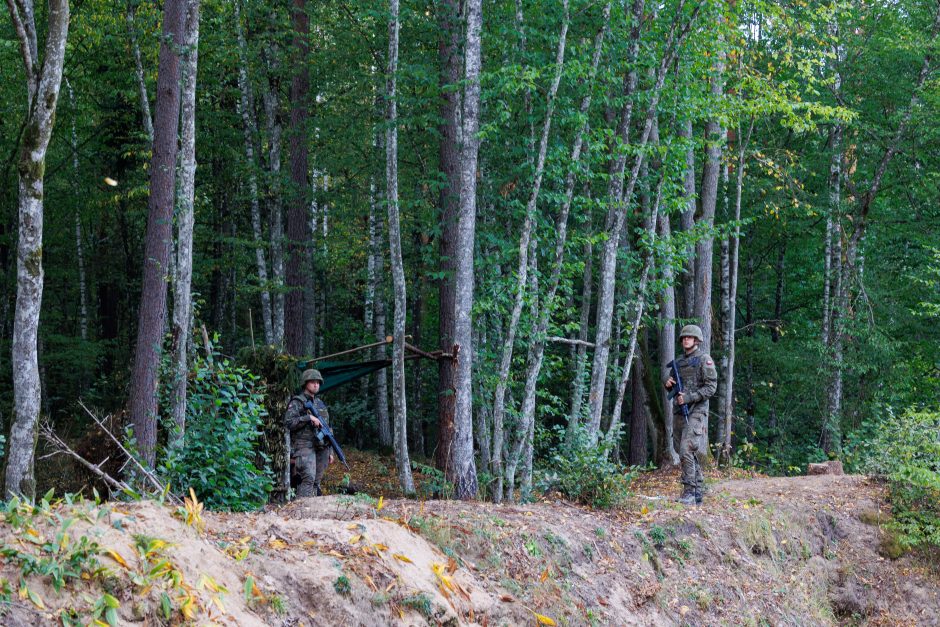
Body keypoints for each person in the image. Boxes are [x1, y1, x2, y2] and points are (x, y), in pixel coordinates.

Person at [663, 325, 717, 505]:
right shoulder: (678, 362)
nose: (686, 340)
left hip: (696, 410)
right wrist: (668, 383)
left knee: (687, 448)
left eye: (689, 337)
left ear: (696, 340)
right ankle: (698, 489)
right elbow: (672, 382)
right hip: (679, 410)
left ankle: (689, 492)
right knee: (682, 450)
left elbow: (711, 387)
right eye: (684, 338)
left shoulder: (704, 359)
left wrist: (690, 398)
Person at [284, 369, 334, 497]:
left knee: (316, 481)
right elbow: (289, 422)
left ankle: (313, 513)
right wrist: (308, 418)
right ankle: (302, 509)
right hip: (304, 446)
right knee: (308, 479)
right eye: (312, 382)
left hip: (321, 446)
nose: (316, 384)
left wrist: (331, 451)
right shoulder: (297, 402)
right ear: (305, 383)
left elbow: (328, 428)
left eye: (318, 382)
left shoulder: (320, 404)